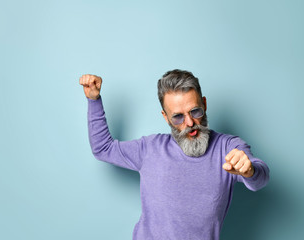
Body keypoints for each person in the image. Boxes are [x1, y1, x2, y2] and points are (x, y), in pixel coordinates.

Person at [79, 69, 269, 240]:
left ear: (204, 104)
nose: (189, 123)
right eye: (178, 116)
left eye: (195, 111)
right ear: (165, 117)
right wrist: (94, 101)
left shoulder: (227, 147)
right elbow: (103, 148)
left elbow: (260, 178)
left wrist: (249, 170)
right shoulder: (150, 149)